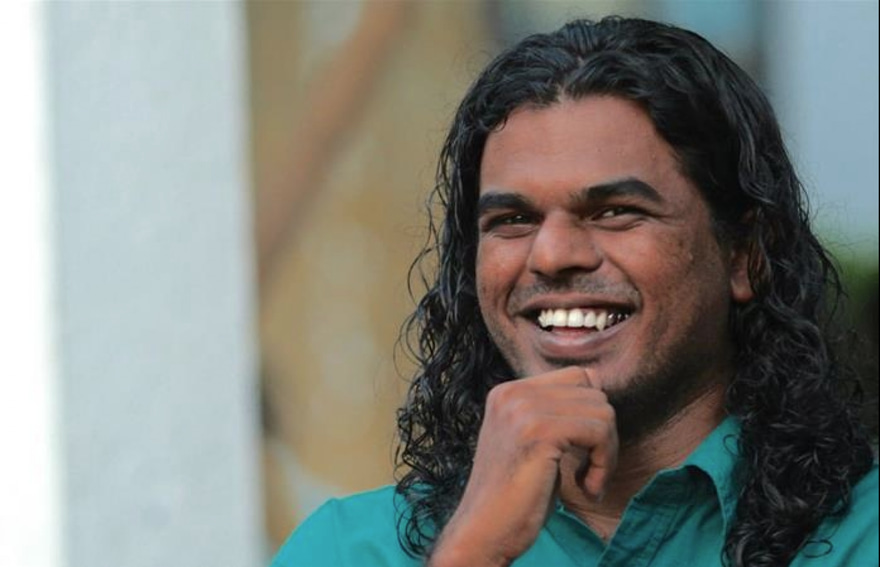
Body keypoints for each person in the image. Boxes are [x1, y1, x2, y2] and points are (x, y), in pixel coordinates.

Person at [270, 16, 878, 567]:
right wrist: (474, 551)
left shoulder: (863, 534)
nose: (553, 255)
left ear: (746, 254)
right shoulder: (350, 549)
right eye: (513, 220)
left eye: (615, 211)